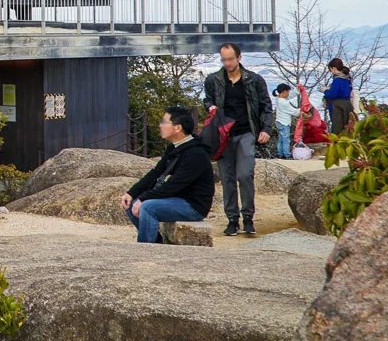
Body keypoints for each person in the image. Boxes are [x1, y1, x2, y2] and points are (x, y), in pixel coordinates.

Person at [203, 43, 275, 236]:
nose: (227, 63)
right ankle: (232, 219)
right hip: (223, 135)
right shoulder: (213, 80)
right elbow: (208, 99)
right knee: (227, 178)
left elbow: (266, 106)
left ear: (239, 58)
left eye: (230, 59)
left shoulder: (254, 80)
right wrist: (210, 106)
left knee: (245, 175)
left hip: (246, 132)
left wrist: (266, 129)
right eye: (224, 59)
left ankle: (248, 217)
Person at [121, 106, 214, 244]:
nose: (160, 125)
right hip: (177, 199)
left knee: (147, 207)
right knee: (130, 203)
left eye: (164, 122)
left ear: (178, 128)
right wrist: (132, 193)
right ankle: (156, 242)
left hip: (193, 206)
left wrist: (144, 198)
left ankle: (146, 248)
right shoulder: (174, 147)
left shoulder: (195, 154)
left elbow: (173, 185)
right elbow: (155, 173)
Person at [321, 57, 354, 135]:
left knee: (337, 128)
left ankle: (336, 141)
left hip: (338, 106)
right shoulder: (347, 79)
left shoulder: (337, 80)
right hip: (347, 105)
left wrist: (325, 90)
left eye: (331, 70)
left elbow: (333, 94)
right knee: (346, 127)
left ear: (334, 68)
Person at [273, 83, 300, 159]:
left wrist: (297, 90)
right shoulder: (284, 102)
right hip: (284, 123)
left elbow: (289, 96)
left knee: (281, 139)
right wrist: (303, 109)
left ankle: (280, 154)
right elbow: (294, 111)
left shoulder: (278, 98)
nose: (288, 93)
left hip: (279, 121)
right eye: (288, 91)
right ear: (284, 91)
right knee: (285, 139)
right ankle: (287, 155)